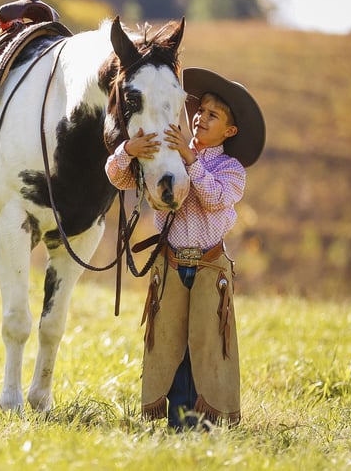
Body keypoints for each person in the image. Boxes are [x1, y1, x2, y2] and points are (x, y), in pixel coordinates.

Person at [105, 67, 265, 430]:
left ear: (230, 131)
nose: (199, 118)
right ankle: (178, 421)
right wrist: (127, 150)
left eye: (212, 115)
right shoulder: (167, 154)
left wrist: (190, 161)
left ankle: (204, 421)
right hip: (171, 263)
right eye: (198, 111)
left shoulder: (231, 168)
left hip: (210, 267)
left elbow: (215, 199)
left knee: (205, 345)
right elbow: (119, 177)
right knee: (169, 343)